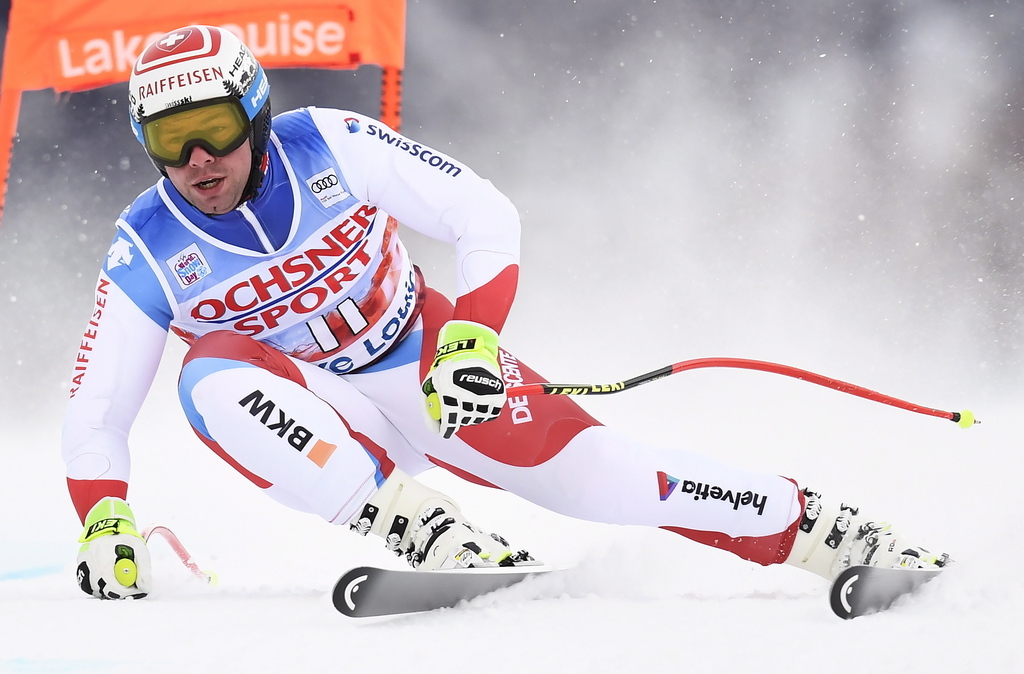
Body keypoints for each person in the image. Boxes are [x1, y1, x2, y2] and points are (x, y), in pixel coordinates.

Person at [64, 25, 946, 600]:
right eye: (169, 141)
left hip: (427, 365)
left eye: (213, 125)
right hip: (315, 414)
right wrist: (105, 520)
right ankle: (421, 527)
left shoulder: (326, 143)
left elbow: (481, 213)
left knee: (609, 479)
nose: (198, 158)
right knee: (209, 373)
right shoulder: (146, 244)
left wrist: (474, 336)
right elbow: (97, 410)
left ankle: (829, 531)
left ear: (254, 110)